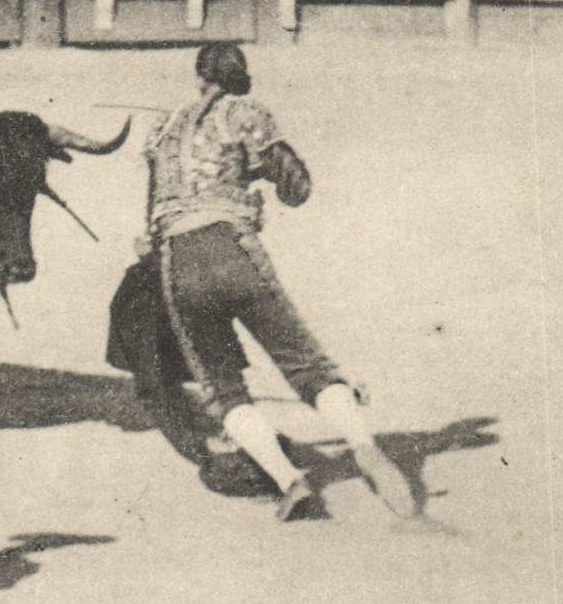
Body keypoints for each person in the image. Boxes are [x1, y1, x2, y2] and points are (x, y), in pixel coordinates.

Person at [139, 42, 416, 522]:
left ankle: (289, 481)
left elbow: (152, 223)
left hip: (178, 264)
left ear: (197, 76)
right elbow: (296, 188)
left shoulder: (161, 129)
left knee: (223, 390)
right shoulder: (246, 114)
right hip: (235, 251)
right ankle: (363, 446)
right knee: (305, 364)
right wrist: (258, 170)